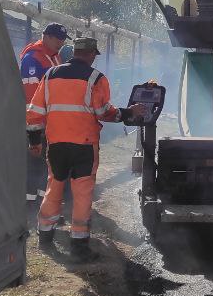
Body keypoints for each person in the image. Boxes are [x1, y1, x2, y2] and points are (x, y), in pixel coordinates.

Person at [26, 37, 146, 262]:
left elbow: (35, 111)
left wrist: (34, 141)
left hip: (56, 145)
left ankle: (45, 238)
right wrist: (129, 112)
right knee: (81, 193)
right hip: (84, 145)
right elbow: (104, 112)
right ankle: (79, 246)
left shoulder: (50, 75)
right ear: (91, 54)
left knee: (54, 187)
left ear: (74, 52)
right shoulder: (96, 78)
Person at [19, 23, 67, 202]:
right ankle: (30, 203)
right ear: (45, 36)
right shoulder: (33, 58)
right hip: (38, 121)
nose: (60, 42)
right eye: (57, 38)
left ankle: (42, 200)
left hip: (51, 120)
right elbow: (30, 95)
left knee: (45, 162)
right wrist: (34, 128)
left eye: (62, 39)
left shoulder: (55, 57)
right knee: (34, 161)